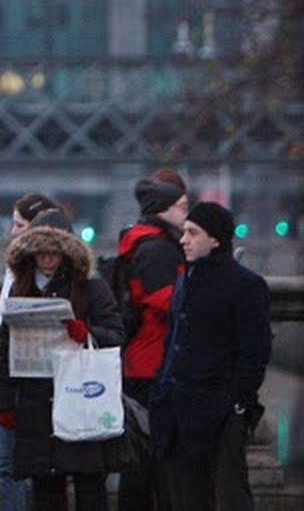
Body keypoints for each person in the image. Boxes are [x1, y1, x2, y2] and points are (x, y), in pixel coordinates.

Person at [0, 211, 123, 510]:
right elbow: (4, 346)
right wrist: (4, 402)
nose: (48, 259)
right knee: (46, 488)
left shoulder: (92, 287)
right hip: (36, 402)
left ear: (66, 253)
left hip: (79, 397)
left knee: (90, 486)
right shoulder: (19, 288)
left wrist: (88, 333)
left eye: (54, 252)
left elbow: (116, 334)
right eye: (41, 252)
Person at [150, 201, 273, 511]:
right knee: (185, 499)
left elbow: (255, 350)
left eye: (193, 233)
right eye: (184, 232)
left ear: (216, 239)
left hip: (220, 409)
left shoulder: (246, 285)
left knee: (231, 497)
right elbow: (173, 340)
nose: (183, 239)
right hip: (178, 407)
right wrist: (162, 387)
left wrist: (238, 403)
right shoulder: (184, 280)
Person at [116, 168, 189, 510]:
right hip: (152, 364)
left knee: (143, 459)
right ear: (163, 209)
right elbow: (165, 301)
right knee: (150, 461)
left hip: (142, 362)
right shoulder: (157, 250)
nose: (187, 213)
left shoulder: (144, 243)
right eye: (183, 206)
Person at [0, 192, 59, 511]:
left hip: (33, 386)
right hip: (11, 381)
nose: (13, 232)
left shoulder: (43, 278)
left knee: (20, 468)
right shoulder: (14, 270)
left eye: (19, 224)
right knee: (7, 466)